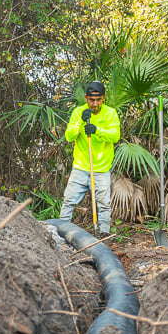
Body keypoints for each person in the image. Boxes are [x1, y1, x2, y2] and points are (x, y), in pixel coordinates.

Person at [59, 81, 120, 234]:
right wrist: (81, 121)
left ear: (103, 97)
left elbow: (115, 136)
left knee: (104, 204)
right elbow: (69, 136)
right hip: (80, 167)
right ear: (86, 97)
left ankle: (104, 234)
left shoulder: (110, 113)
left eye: (98, 99)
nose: (95, 103)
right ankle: (60, 233)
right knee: (68, 201)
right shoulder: (78, 112)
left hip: (101, 168)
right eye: (91, 100)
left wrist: (97, 130)